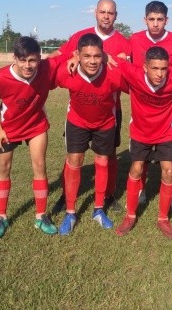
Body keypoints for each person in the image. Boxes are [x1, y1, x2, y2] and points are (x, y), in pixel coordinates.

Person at [0, 36, 71, 239]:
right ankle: (1, 216)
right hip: (8, 128)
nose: (27, 65)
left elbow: (70, 52)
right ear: (14, 58)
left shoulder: (46, 67)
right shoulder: (0, 77)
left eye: (32, 60)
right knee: (3, 169)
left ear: (39, 58)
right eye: (22, 60)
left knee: (40, 166)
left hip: (35, 125)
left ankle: (41, 216)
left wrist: (75, 57)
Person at [50, 0, 130, 212]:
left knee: (109, 155)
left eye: (110, 13)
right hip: (81, 109)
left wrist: (113, 58)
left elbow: (128, 72)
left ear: (116, 15)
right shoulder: (80, 36)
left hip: (110, 110)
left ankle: (108, 195)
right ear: (95, 13)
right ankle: (67, 195)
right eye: (102, 12)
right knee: (73, 155)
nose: (106, 16)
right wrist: (72, 56)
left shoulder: (124, 43)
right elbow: (59, 56)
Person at [113, 46, 172, 239]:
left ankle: (163, 219)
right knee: (136, 168)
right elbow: (110, 59)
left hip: (165, 132)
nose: (160, 74)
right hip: (140, 132)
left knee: (169, 171)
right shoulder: (133, 73)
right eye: (155, 68)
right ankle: (130, 216)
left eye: (163, 69)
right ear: (145, 67)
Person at [128, 0, 172, 214]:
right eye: (152, 19)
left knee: (170, 156)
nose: (156, 23)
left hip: (168, 109)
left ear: (166, 20)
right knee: (140, 156)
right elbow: (126, 65)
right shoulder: (135, 39)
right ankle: (140, 190)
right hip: (142, 108)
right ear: (145, 20)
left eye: (160, 19)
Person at [54, 33, 125, 235]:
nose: (92, 61)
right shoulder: (67, 72)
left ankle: (98, 209)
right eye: (86, 56)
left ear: (103, 55)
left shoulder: (114, 73)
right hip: (77, 121)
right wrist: (69, 57)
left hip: (105, 122)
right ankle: (70, 212)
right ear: (78, 55)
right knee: (74, 161)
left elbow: (138, 78)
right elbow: (44, 72)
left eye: (96, 56)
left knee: (102, 162)